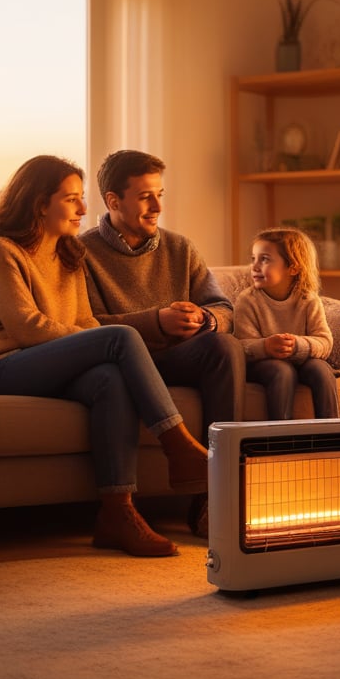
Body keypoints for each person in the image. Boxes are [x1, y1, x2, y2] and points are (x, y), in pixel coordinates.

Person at [0, 155, 209, 558]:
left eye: (81, 198)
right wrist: (94, 342)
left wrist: (90, 343)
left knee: (110, 379)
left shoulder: (68, 253)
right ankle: (178, 445)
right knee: (118, 338)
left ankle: (116, 513)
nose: (84, 209)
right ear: (39, 204)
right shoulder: (2, 252)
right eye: (71, 200)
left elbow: (85, 320)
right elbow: (26, 328)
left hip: (47, 362)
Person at [79, 149, 245, 539]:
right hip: (124, 362)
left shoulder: (179, 248)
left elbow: (223, 307)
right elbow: (84, 327)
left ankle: (214, 497)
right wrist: (157, 321)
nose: (157, 206)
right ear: (113, 201)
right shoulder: (83, 254)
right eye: (145, 196)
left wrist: (203, 319)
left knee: (226, 347)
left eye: (160, 194)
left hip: (176, 358)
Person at [232, 226, 339, 420]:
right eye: (253, 259)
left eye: (264, 259)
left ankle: (332, 432)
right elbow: (241, 345)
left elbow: (325, 341)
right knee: (282, 371)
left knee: (321, 369)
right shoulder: (247, 300)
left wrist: (297, 345)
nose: (254, 267)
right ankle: (280, 438)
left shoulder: (308, 299)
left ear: (293, 268)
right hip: (263, 365)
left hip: (301, 360)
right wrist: (266, 346)